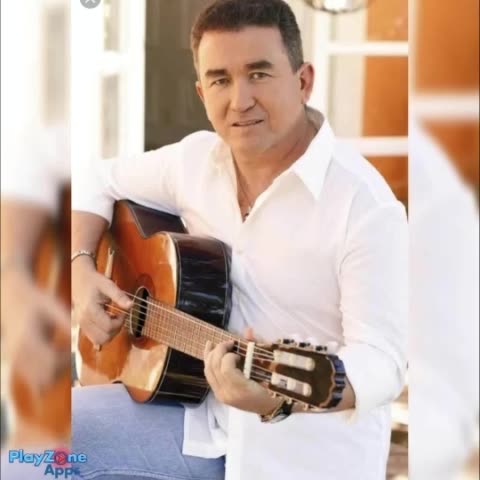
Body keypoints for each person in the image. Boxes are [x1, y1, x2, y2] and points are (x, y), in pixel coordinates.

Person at [71, 1, 407, 479]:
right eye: (220, 80)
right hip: (194, 421)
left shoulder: (365, 206)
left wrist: (277, 399)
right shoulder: (193, 162)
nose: (240, 100)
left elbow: (383, 362)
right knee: (29, 448)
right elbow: (94, 181)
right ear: (201, 92)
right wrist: (81, 270)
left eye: (259, 74)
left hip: (302, 459)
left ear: (304, 80)